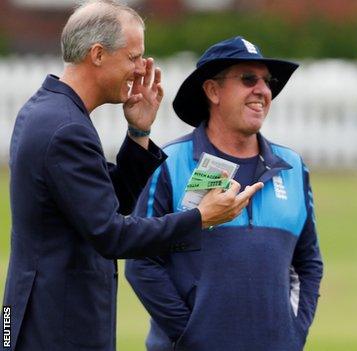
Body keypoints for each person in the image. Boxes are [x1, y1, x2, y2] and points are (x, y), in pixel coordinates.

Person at [2, 2, 262, 351]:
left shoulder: (48, 110)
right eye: (133, 57)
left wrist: (139, 132)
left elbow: (101, 204)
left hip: (42, 317)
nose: (141, 70)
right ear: (97, 54)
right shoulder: (65, 127)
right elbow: (111, 234)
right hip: (57, 326)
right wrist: (199, 218)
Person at [125, 36, 323, 351]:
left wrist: (294, 333)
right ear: (213, 91)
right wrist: (190, 335)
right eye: (248, 79)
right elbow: (141, 261)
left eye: (267, 81)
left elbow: (308, 261)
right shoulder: (170, 163)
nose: (262, 90)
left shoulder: (293, 167)